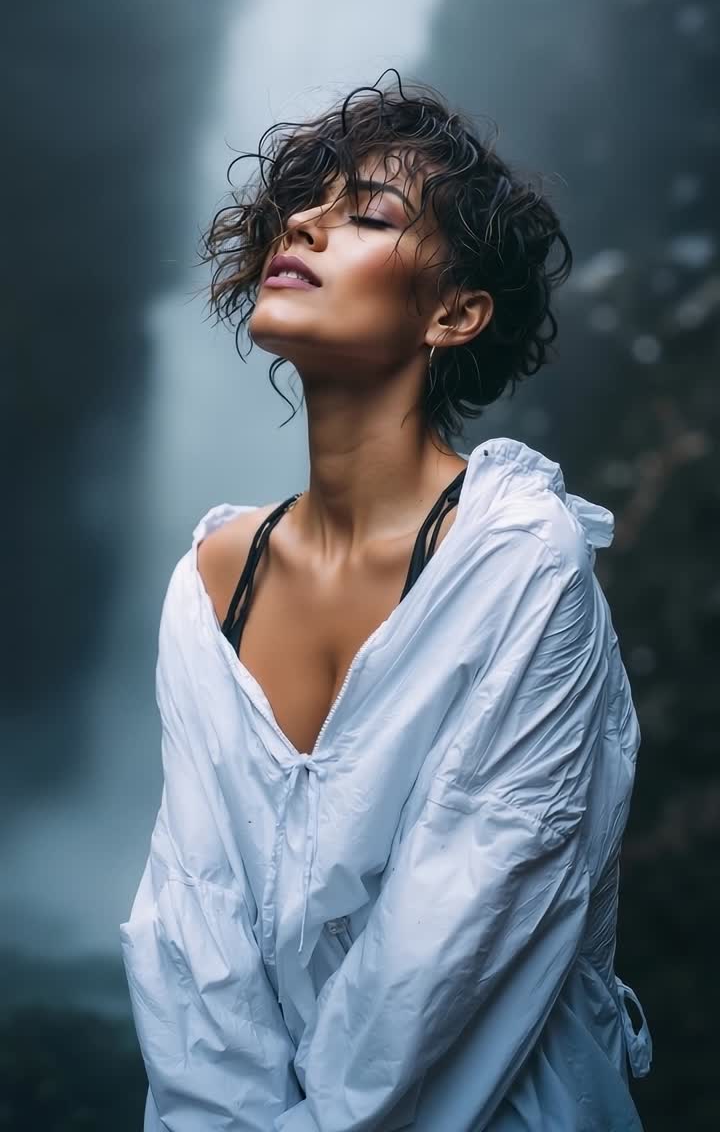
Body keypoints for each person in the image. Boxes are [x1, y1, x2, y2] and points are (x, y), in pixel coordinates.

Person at [120, 71, 652, 1130]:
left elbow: (453, 938)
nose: (302, 224)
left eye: (367, 214)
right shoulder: (208, 581)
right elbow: (192, 925)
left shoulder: (520, 557)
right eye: (300, 205)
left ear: (455, 313)